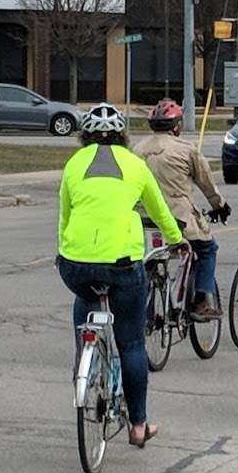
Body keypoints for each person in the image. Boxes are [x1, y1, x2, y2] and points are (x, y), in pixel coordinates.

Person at [59, 103, 183, 449]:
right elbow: (160, 212)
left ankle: (83, 362)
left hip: (75, 264)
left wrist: (65, 252)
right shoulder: (135, 164)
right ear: (123, 135)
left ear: (85, 136)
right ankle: (139, 424)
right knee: (131, 343)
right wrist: (178, 241)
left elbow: (65, 216)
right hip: (123, 264)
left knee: (84, 302)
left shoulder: (73, 165)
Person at [137, 99, 229, 320]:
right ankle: (200, 300)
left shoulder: (137, 150)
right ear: (177, 125)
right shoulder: (187, 150)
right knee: (207, 249)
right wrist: (220, 206)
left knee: (147, 259)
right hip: (179, 218)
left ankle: (144, 307)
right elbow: (206, 183)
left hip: (143, 218)